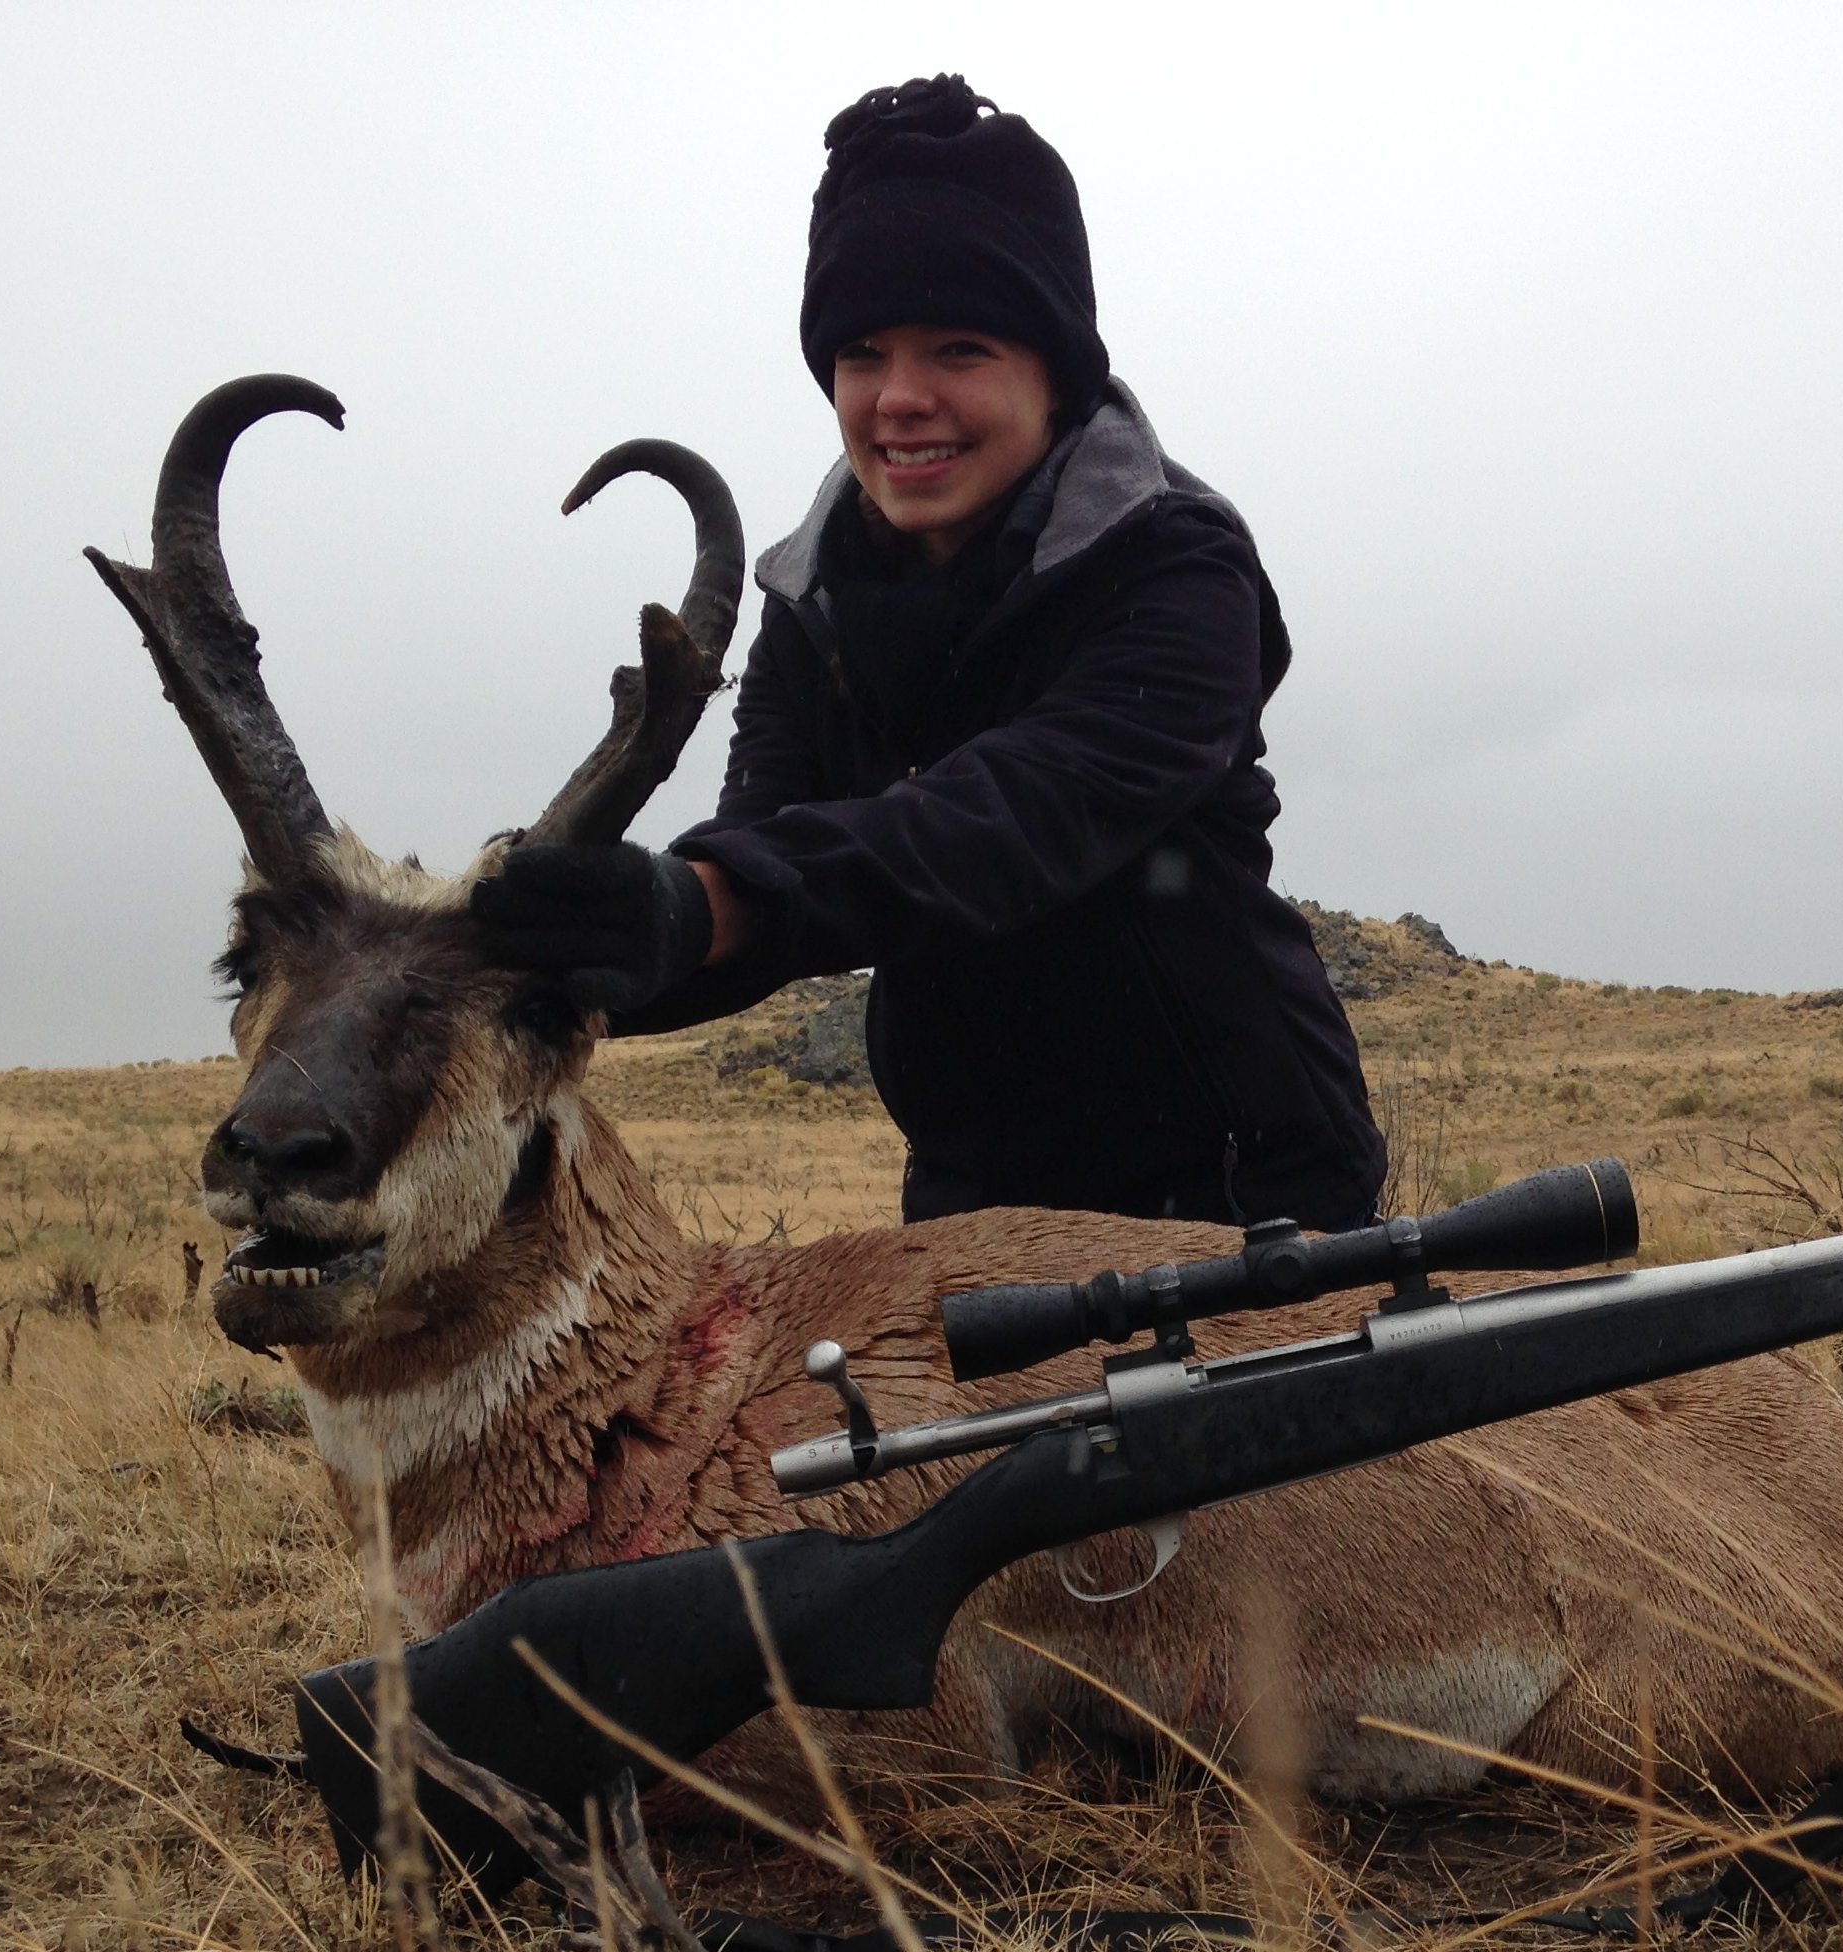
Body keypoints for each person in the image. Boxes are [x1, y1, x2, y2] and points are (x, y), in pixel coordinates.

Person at [472, 74, 1387, 1230]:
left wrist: (700, 901)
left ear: (1055, 374)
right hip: (973, 1200)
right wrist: (567, 956)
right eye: (861, 355)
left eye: (958, 348)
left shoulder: (1178, 566)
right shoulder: (813, 601)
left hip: (1246, 1186)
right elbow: (762, 881)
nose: (900, 400)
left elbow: (1012, 820)